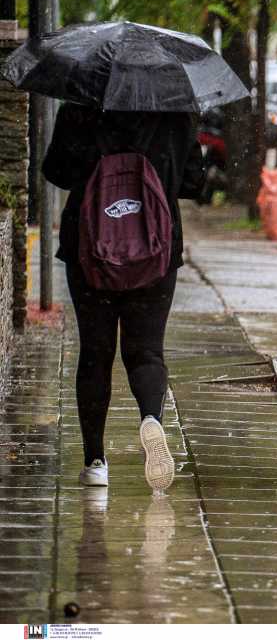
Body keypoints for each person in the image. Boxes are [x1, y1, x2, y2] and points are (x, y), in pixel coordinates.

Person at [43, 105, 206, 491]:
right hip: (156, 249)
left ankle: (96, 462)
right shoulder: (176, 113)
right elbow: (195, 183)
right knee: (147, 351)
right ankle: (150, 418)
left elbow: (56, 172)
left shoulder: (80, 109)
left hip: (89, 248)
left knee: (96, 353)